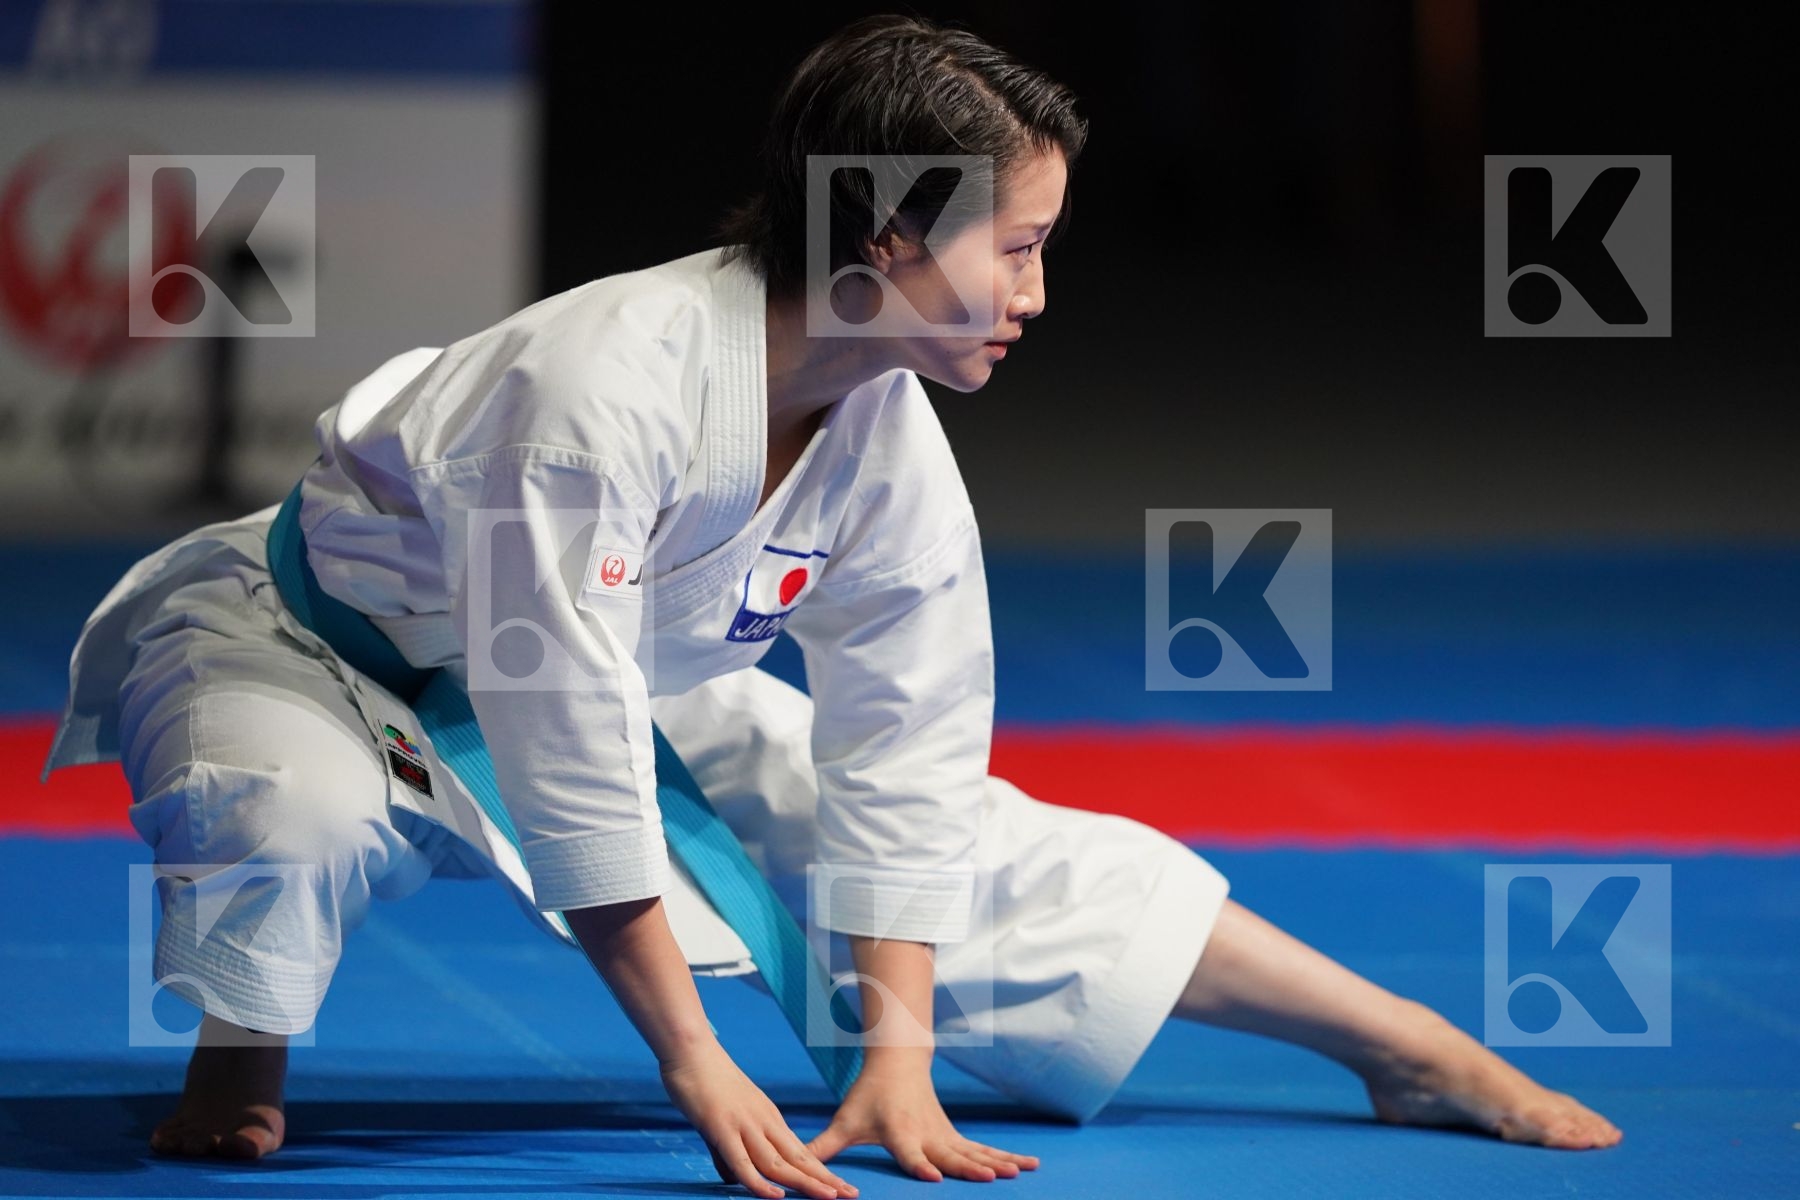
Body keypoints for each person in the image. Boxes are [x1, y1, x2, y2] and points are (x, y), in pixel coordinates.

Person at [39, 13, 1620, 1197]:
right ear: (887, 236)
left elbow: (911, 743)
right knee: (291, 816)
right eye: (1015, 249)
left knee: (994, 858)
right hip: (313, 652)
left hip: (611, 676)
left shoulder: (882, 433)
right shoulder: (603, 390)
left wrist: (897, 1060)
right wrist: (696, 1065)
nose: (1037, 294)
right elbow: (563, 729)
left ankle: (1407, 1048)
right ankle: (244, 1031)